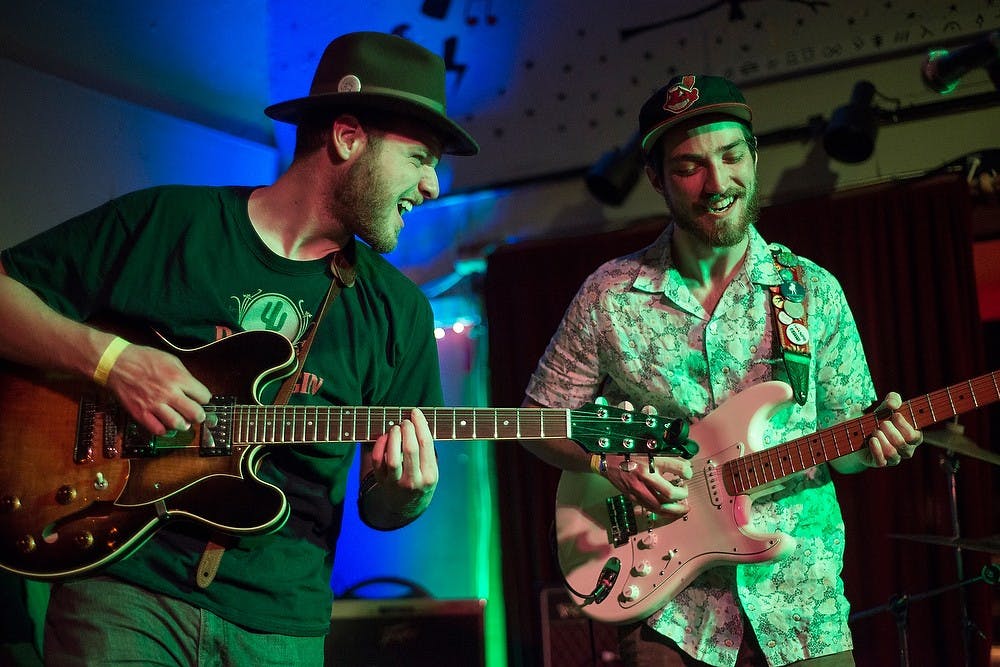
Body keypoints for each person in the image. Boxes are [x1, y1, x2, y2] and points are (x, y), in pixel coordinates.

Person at [0, 31, 477, 665]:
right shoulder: (169, 224)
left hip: (280, 625)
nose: (433, 186)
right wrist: (112, 362)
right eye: (420, 157)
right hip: (124, 590)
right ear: (347, 137)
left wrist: (405, 492)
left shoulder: (399, 311)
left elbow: (382, 508)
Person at [520, 74, 923, 667]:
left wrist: (878, 442)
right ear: (655, 178)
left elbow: (846, 444)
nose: (717, 184)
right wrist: (611, 464)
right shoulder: (609, 296)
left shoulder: (810, 291)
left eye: (732, 156)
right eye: (689, 167)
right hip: (669, 610)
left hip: (802, 606)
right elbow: (541, 421)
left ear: (755, 157)